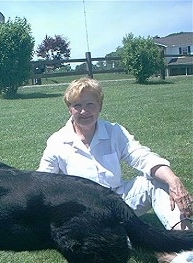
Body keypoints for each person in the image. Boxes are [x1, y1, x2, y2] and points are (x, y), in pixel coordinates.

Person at [37, 77, 193, 262]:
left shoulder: (114, 132)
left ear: (100, 105)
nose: (84, 111)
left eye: (90, 104)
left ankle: (181, 244)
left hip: (120, 200)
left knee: (155, 181)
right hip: (84, 211)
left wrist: (174, 181)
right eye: (77, 105)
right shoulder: (57, 141)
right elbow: (43, 182)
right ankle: (146, 244)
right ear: (69, 108)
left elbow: (142, 156)